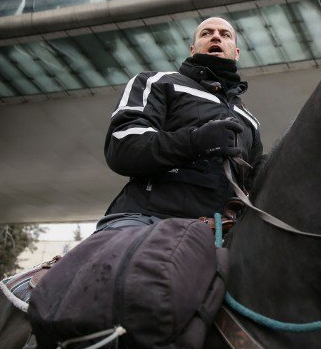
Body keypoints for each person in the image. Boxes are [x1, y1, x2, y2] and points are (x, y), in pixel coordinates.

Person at [98, 16, 264, 231]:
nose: (216, 36)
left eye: (225, 35)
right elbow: (123, 147)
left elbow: (250, 188)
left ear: (237, 53)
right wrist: (196, 141)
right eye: (206, 33)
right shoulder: (156, 82)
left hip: (221, 232)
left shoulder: (250, 120)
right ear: (193, 49)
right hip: (147, 220)